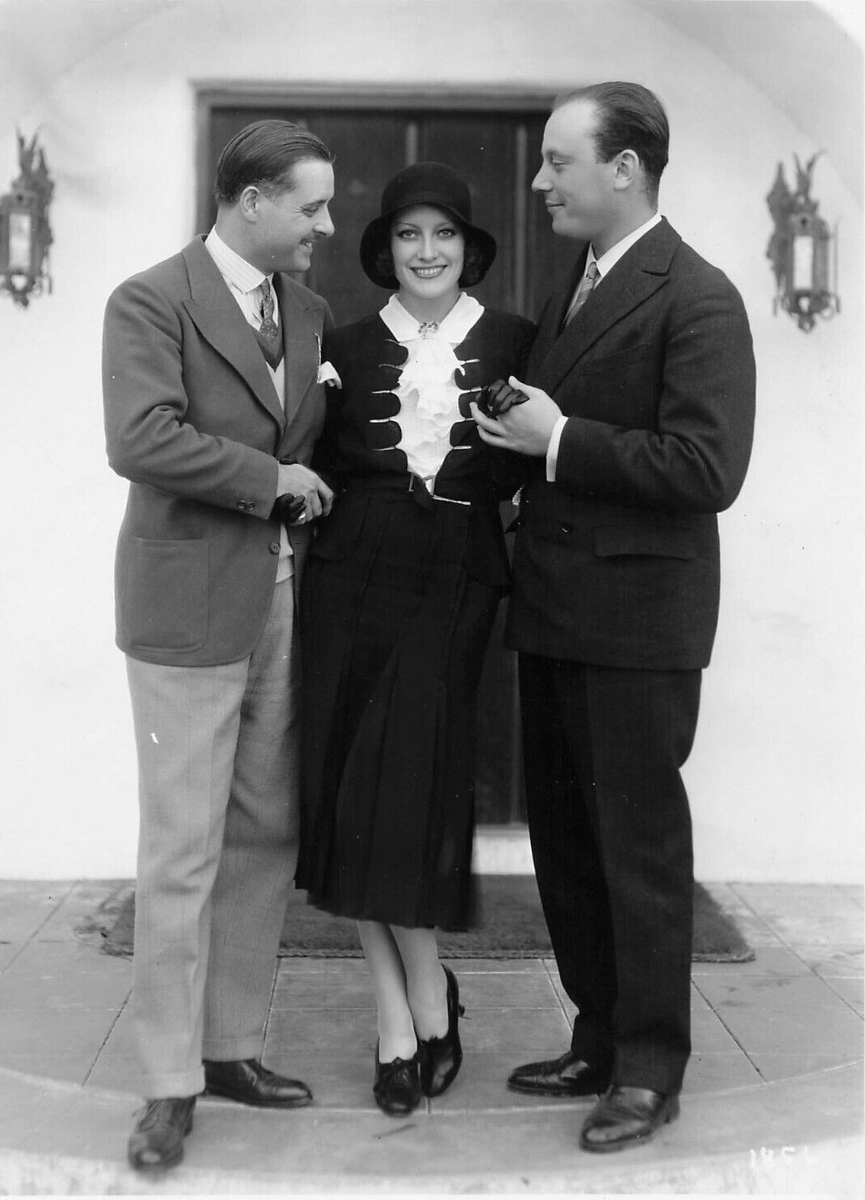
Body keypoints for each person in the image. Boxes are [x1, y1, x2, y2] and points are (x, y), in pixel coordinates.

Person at [472, 83, 755, 1153]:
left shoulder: (699, 296)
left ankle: (650, 1068)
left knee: (634, 847)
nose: (540, 181)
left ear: (626, 168)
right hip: (555, 610)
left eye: (558, 161)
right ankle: (597, 1034)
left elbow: (707, 467)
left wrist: (555, 439)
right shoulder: (576, 288)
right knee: (570, 844)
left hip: (638, 626)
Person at [102, 119, 337, 1172]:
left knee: (264, 827)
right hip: (189, 604)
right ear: (250, 201)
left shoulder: (313, 312)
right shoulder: (151, 299)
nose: (326, 226)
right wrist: (268, 480)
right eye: (312, 206)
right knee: (183, 844)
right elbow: (140, 436)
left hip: (285, 594)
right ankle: (167, 1085)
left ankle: (233, 1044)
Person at [296, 162, 535, 1117]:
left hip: (456, 585)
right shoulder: (342, 345)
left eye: (443, 235)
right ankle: (403, 1016)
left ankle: (428, 997)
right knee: (349, 794)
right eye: (407, 235)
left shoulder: (518, 342)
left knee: (407, 795)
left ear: (469, 249)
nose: (425, 252)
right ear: (385, 248)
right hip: (349, 582)